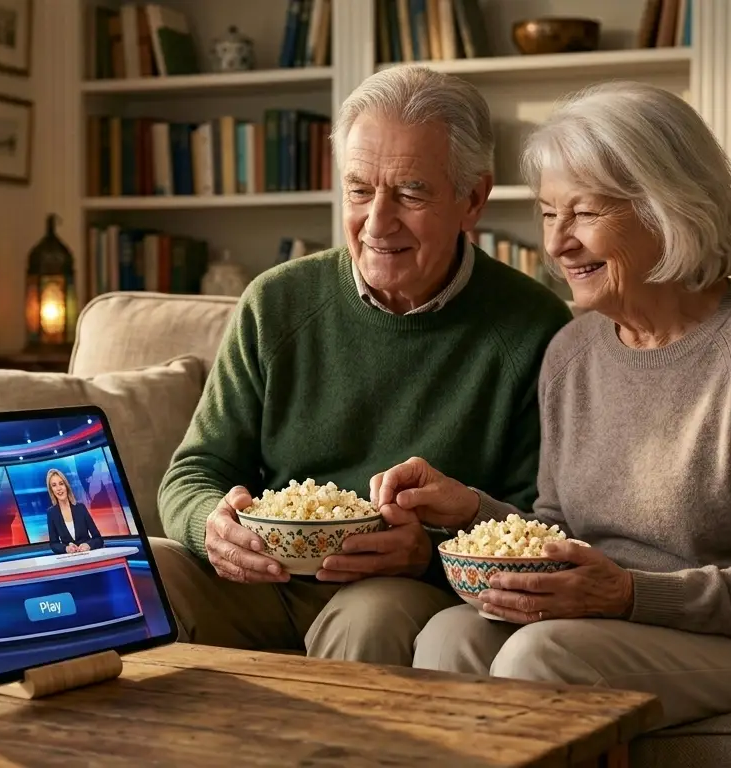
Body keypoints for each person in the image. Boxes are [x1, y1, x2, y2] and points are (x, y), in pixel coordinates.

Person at [374, 81, 731, 727]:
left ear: (666, 207)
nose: (557, 244)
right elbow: (558, 529)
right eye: (549, 214)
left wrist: (627, 593)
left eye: (584, 213)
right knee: (449, 636)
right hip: (621, 619)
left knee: (541, 655)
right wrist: (472, 509)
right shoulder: (572, 351)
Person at [151, 64, 574, 666]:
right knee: (136, 572)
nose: (377, 222)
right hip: (262, 576)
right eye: (358, 189)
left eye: (410, 192)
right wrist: (209, 528)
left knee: (367, 620)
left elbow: (539, 525)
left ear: (472, 198)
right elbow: (193, 471)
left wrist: (426, 552)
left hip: (401, 589)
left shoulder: (536, 332)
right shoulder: (275, 303)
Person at [45, 468, 103, 555]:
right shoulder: (51, 513)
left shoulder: (80, 508)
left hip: (88, 556)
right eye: (54, 485)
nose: (59, 488)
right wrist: (66, 548)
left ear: (66, 486)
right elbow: (54, 544)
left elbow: (98, 539)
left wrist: (88, 545)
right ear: (51, 490)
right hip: (69, 560)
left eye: (61, 484)